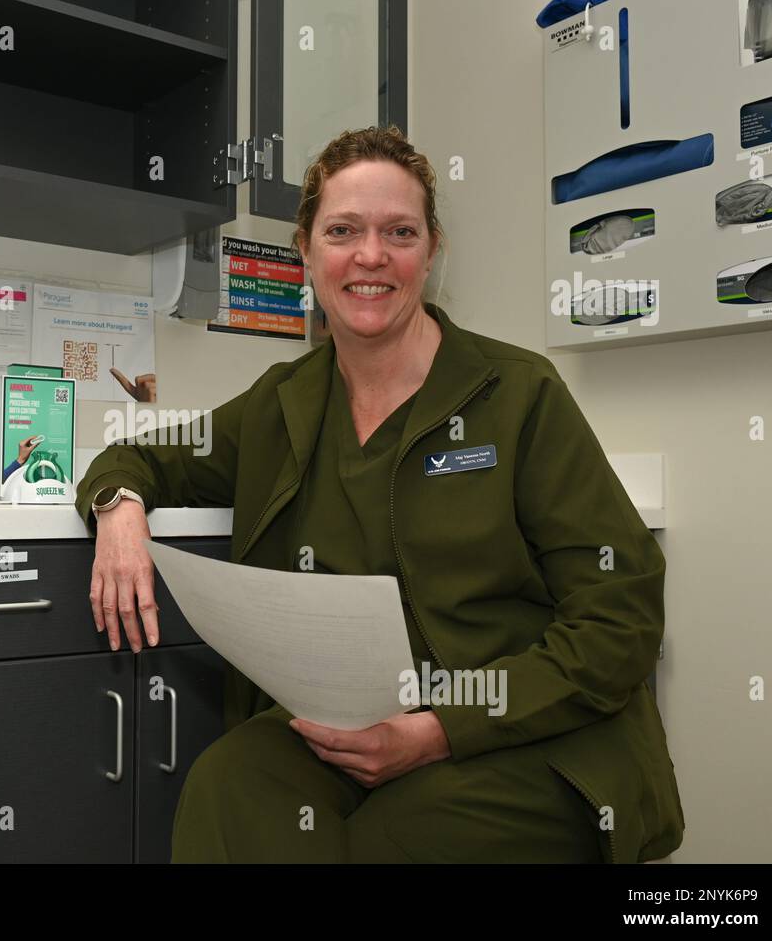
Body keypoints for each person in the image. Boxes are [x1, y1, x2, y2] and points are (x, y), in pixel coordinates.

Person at [75, 125, 684, 863]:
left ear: (431, 252)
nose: (371, 256)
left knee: (390, 842)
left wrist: (441, 727)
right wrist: (118, 509)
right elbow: (138, 455)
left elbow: (619, 617)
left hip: (521, 730)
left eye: (399, 231)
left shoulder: (520, 396)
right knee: (227, 786)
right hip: (342, 727)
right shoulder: (282, 403)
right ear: (304, 252)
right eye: (343, 231)